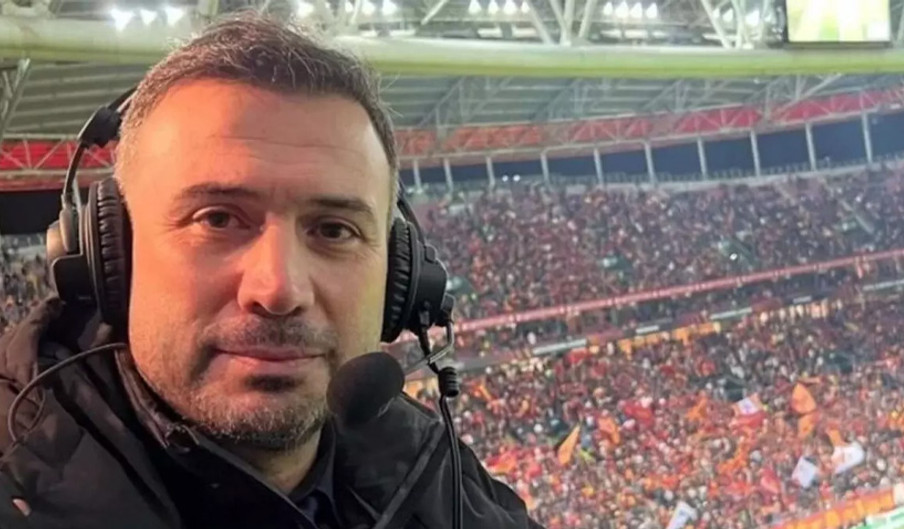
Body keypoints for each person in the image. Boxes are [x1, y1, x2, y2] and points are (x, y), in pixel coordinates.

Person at [0, 13, 542, 529]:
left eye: (334, 230)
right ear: (110, 254)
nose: (279, 287)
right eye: (217, 219)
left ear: (402, 277)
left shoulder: (443, 484)